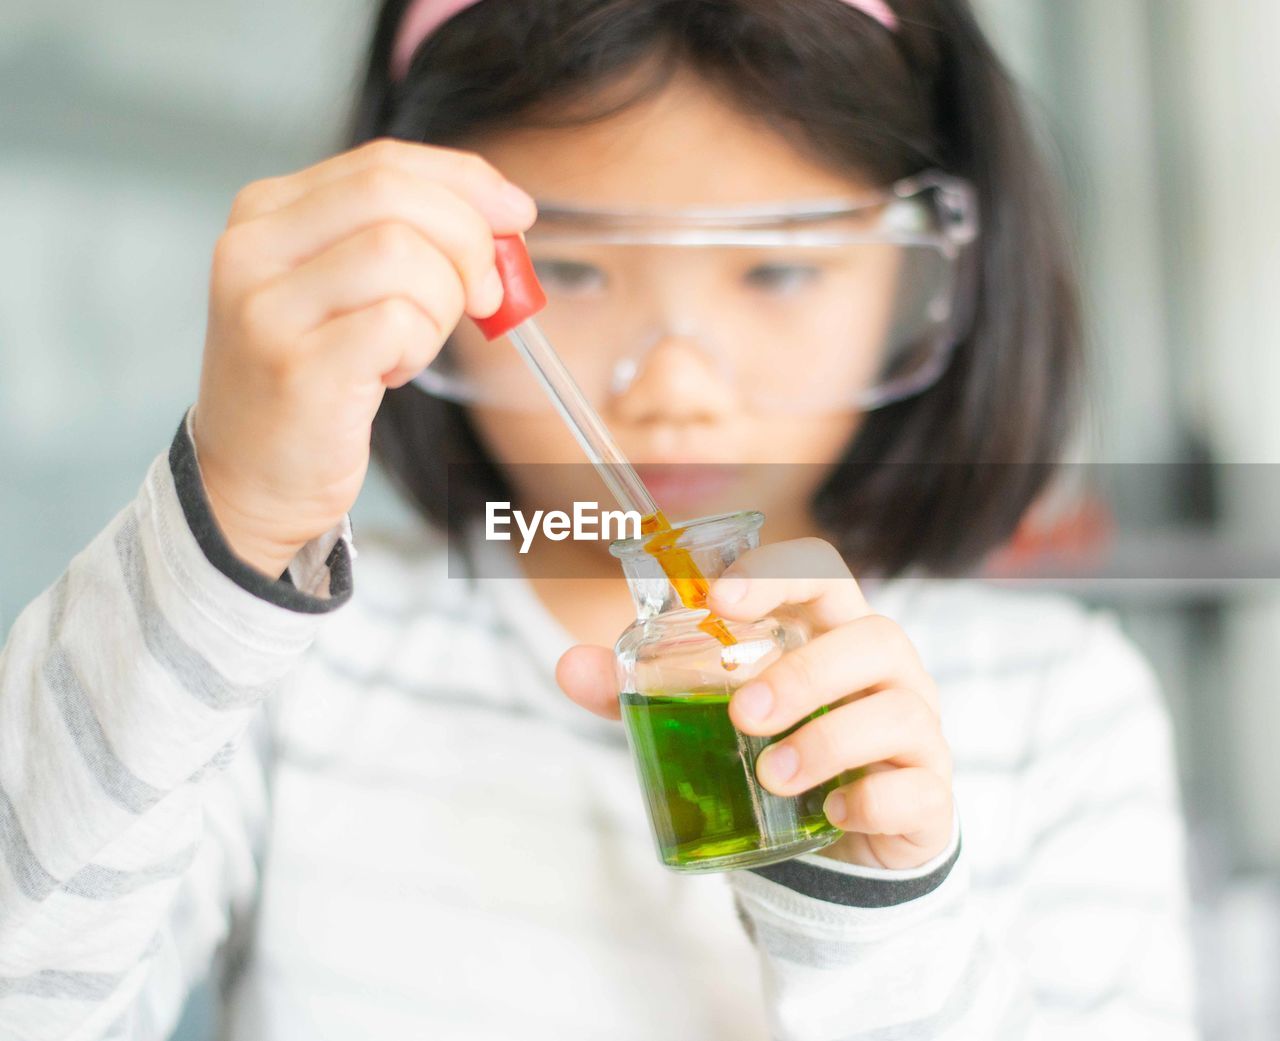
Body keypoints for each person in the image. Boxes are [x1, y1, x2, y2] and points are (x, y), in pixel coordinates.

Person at [0, 1, 1198, 1038]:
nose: (671, 388)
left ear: (927, 274)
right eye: (567, 270)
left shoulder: (1060, 709)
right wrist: (231, 524)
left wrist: (873, 918)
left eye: (776, 271)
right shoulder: (290, 669)